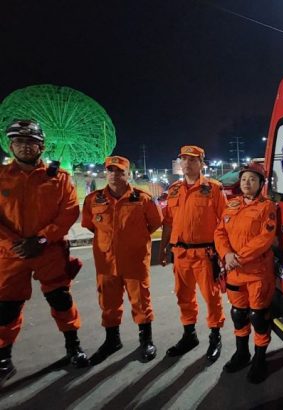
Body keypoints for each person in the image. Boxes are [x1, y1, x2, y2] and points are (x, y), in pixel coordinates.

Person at [0, 119, 89, 387]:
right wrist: (14, 243)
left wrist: (42, 238)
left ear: (42, 146)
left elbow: (69, 212)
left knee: (61, 300)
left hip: (49, 251)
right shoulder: (2, 177)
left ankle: (73, 346)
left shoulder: (59, 178)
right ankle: (3, 359)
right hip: (10, 254)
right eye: (19, 141)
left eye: (31, 142)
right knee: (6, 309)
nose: (25, 147)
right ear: (10, 145)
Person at [82, 156, 163, 365]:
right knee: (108, 302)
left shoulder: (142, 199)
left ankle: (146, 341)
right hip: (106, 262)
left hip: (135, 261)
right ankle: (112, 340)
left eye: (120, 171)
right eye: (110, 170)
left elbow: (155, 223)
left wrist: (133, 239)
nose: (114, 175)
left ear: (128, 174)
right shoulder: (93, 200)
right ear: (105, 173)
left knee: (141, 301)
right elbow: (91, 225)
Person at [159, 145, 226, 361]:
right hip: (180, 254)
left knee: (211, 297)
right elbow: (168, 222)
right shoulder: (174, 190)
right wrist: (163, 248)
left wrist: (224, 252)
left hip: (205, 254)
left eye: (192, 159)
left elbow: (225, 222)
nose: (187, 163)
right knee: (183, 296)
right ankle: (189, 335)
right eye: (184, 159)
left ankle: (215, 336)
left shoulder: (213, 189)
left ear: (202, 164)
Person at [214, 161, 277, 383]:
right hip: (234, 272)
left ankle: (260, 359)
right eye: (243, 179)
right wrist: (226, 255)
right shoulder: (232, 205)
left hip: (257, 272)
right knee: (238, 314)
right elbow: (219, 232)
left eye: (252, 179)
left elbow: (265, 238)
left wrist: (237, 258)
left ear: (261, 183)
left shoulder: (267, 207)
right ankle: (242, 353)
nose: (246, 183)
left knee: (258, 317)